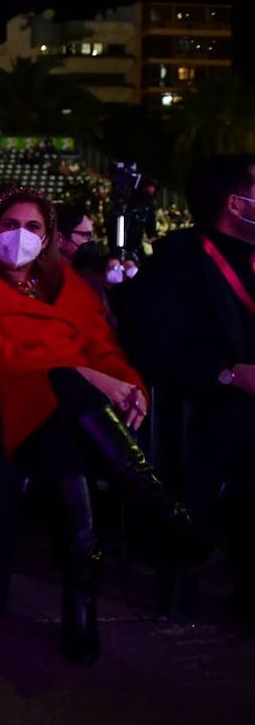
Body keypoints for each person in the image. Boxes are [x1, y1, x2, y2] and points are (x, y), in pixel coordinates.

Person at [0, 186, 201, 663]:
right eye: (10, 225)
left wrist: (129, 387)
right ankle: (155, 507)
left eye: (34, 227)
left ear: (48, 239)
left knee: (71, 449)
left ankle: (81, 598)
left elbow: (105, 348)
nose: (20, 236)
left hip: (76, 418)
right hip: (17, 410)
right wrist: (79, 373)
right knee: (68, 392)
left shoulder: (70, 287)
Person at [126, 155, 255, 628]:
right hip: (210, 406)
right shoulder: (180, 260)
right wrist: (227, 373)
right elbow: (153, 347)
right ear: (235, 203)